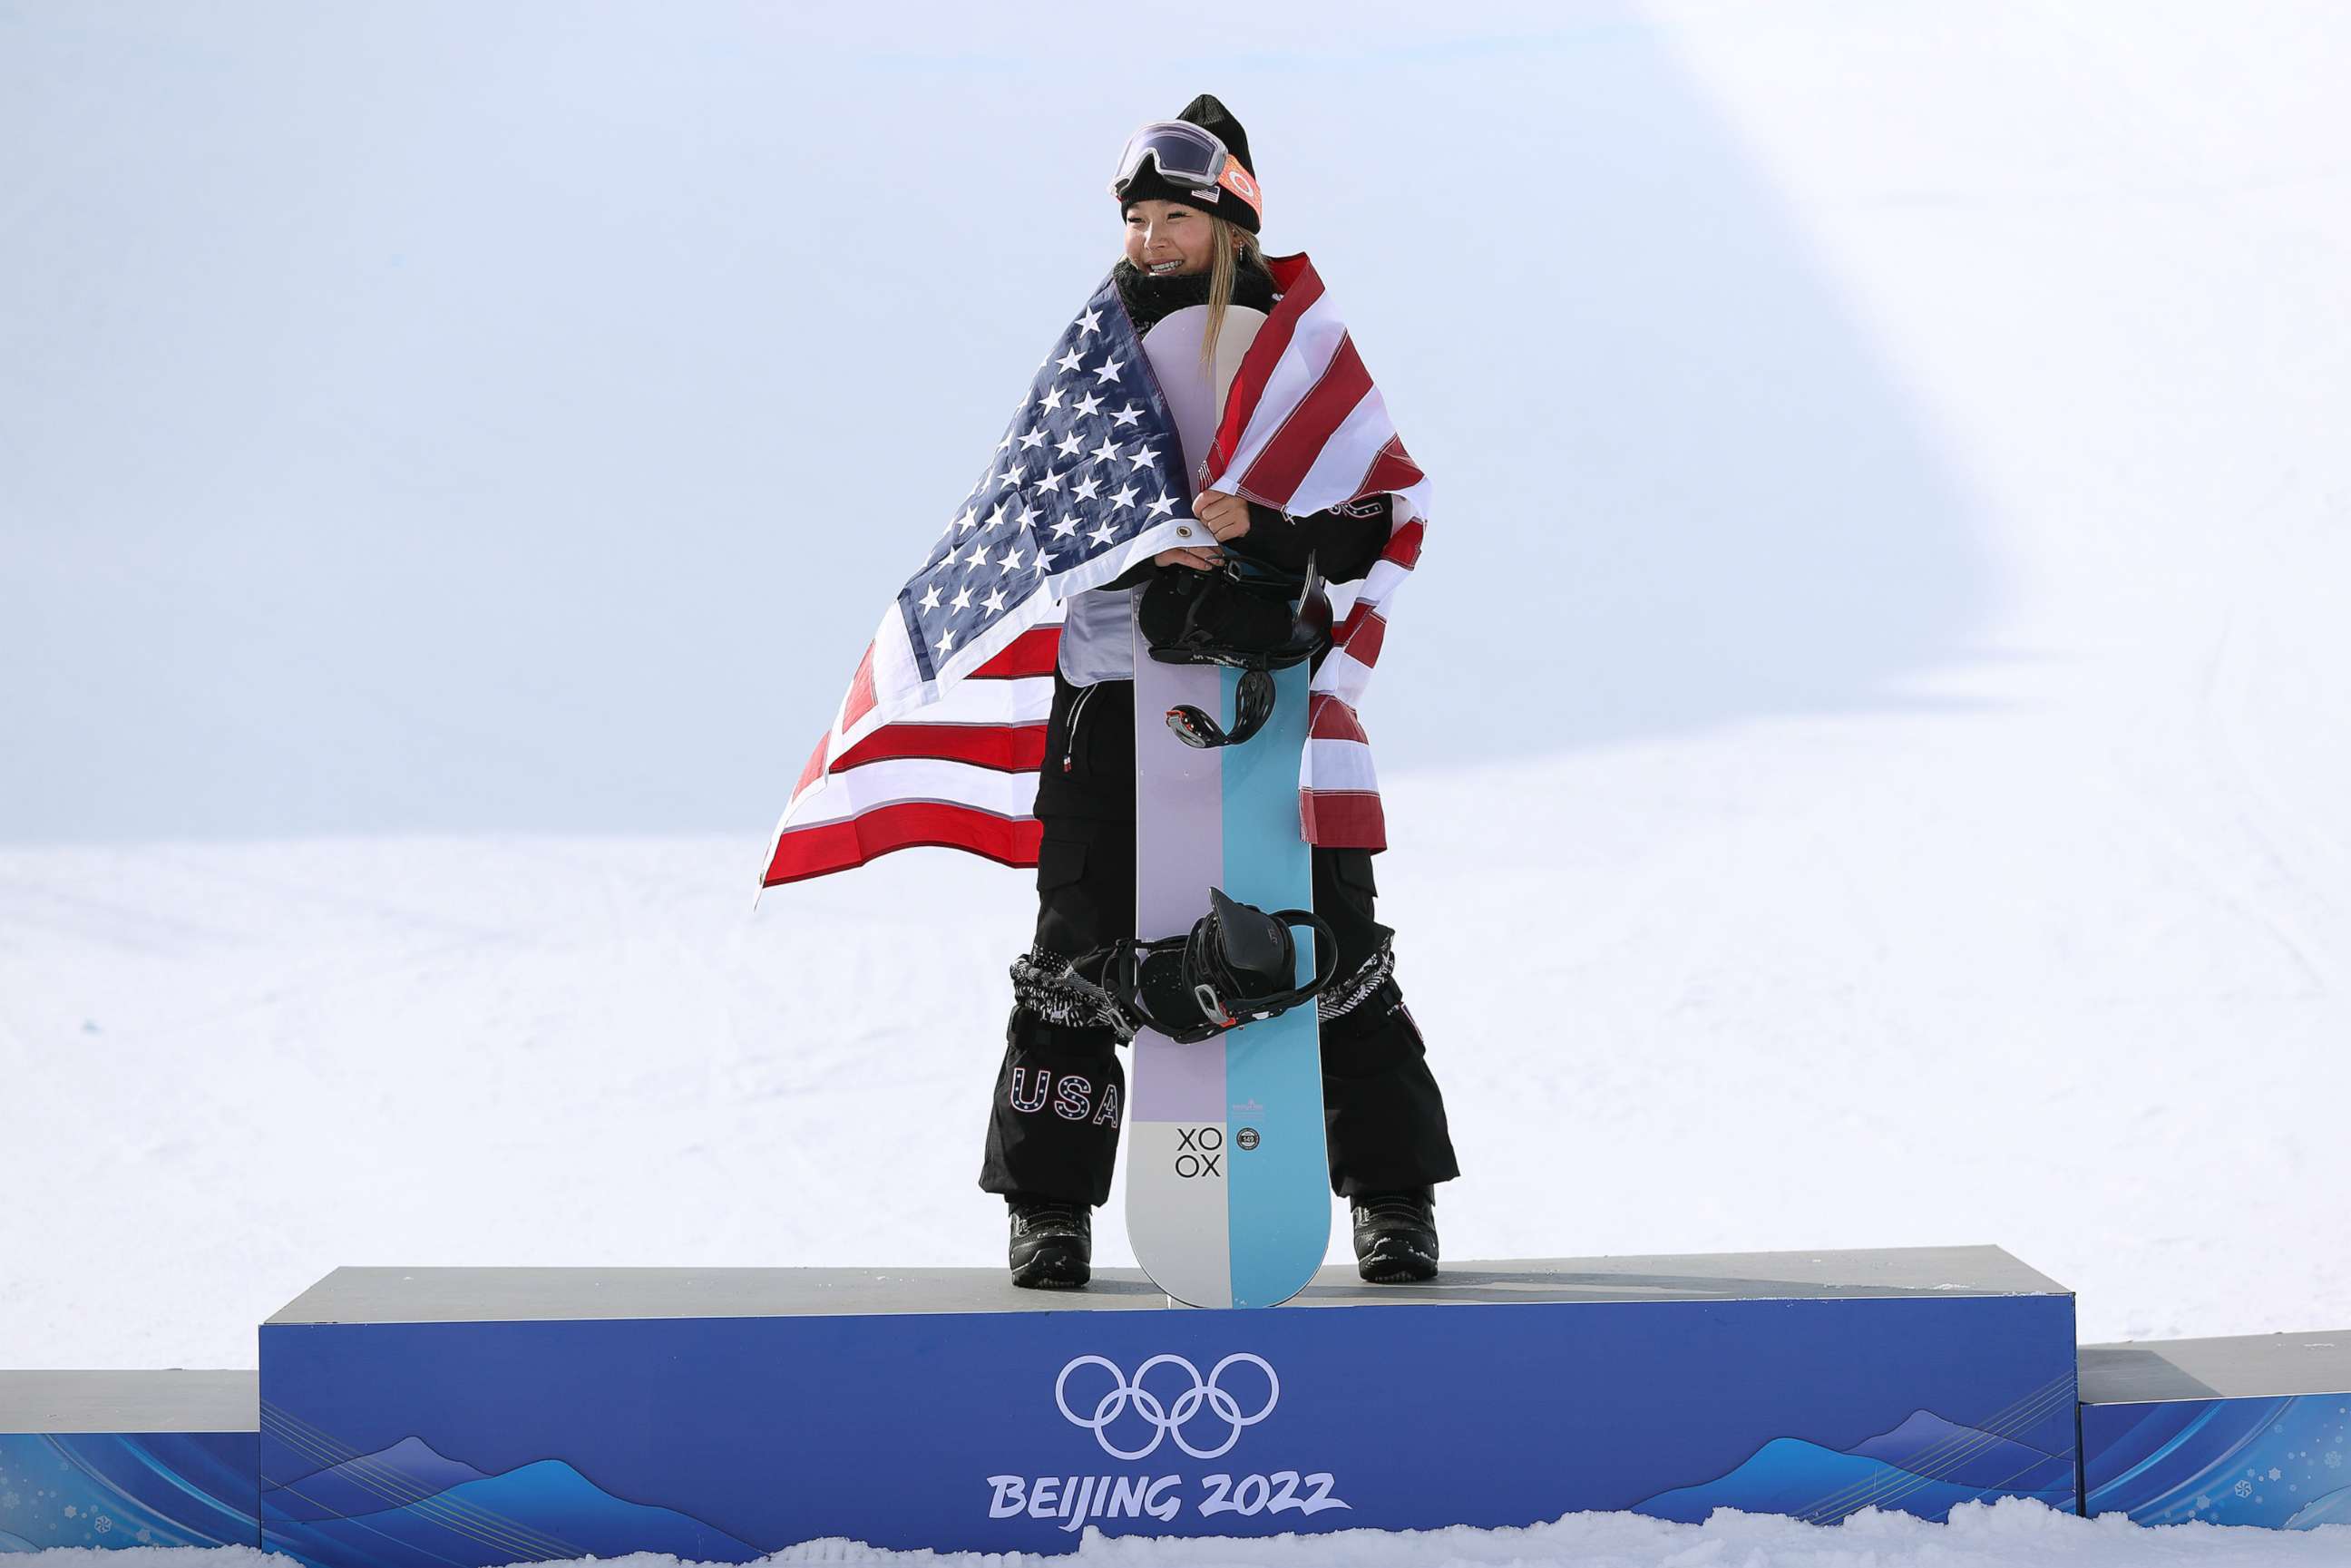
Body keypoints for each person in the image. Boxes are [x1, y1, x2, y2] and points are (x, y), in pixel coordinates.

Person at [977, 95, 1458, 1289]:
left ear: (1229, 215)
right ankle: (1050, 1207)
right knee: (1076, 949)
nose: (1147, 242)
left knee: (1335, 941)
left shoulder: (1302, 346)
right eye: (1136, 220)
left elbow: (1372, 515)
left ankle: (1394, 1200)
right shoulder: (1095, 354)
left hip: (1269, 702)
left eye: (1170, 220)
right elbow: (1028, 517)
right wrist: (1148, 545)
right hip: (1112, 691)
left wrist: (1273, 523)